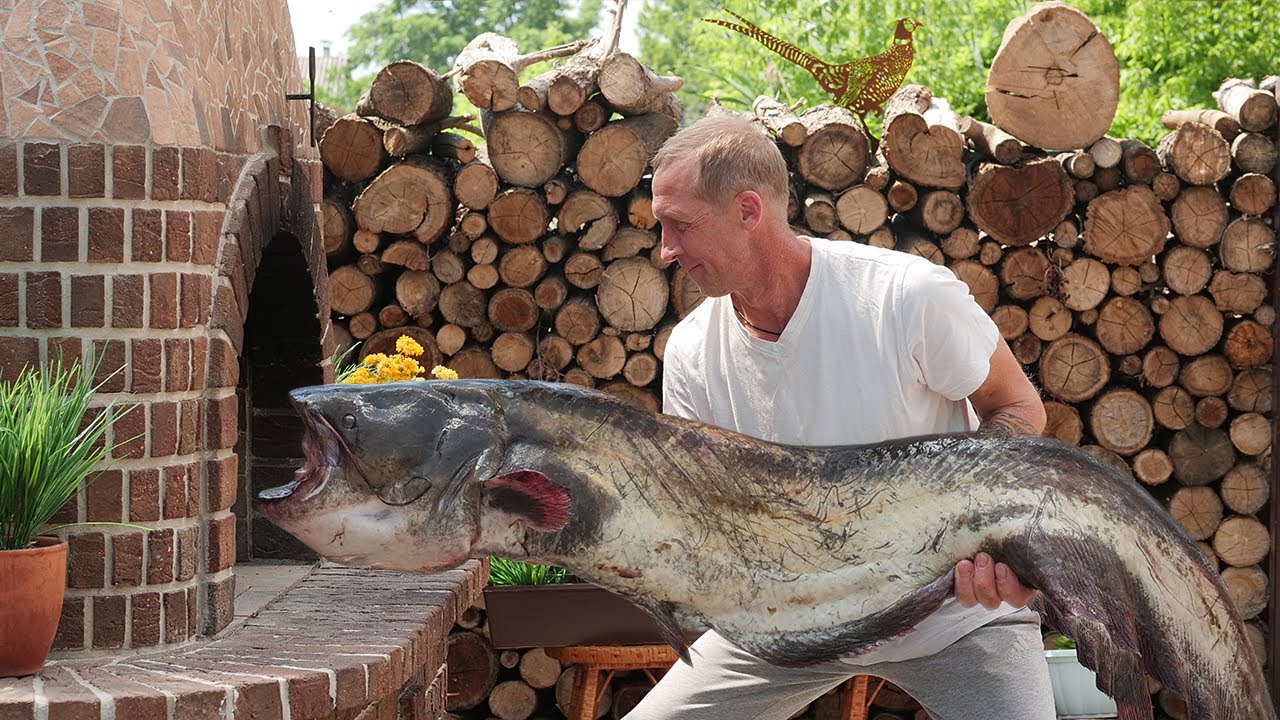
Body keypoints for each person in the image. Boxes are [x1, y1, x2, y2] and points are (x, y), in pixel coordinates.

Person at [626, 114, 1052, 720]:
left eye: (681, 225)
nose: (666, 249)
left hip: (954, 617)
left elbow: (1017, 407)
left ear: (748, 211)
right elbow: (703, 512)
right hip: (784, 623)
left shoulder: (905, 296)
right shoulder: (692, 350)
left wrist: (991, 534)